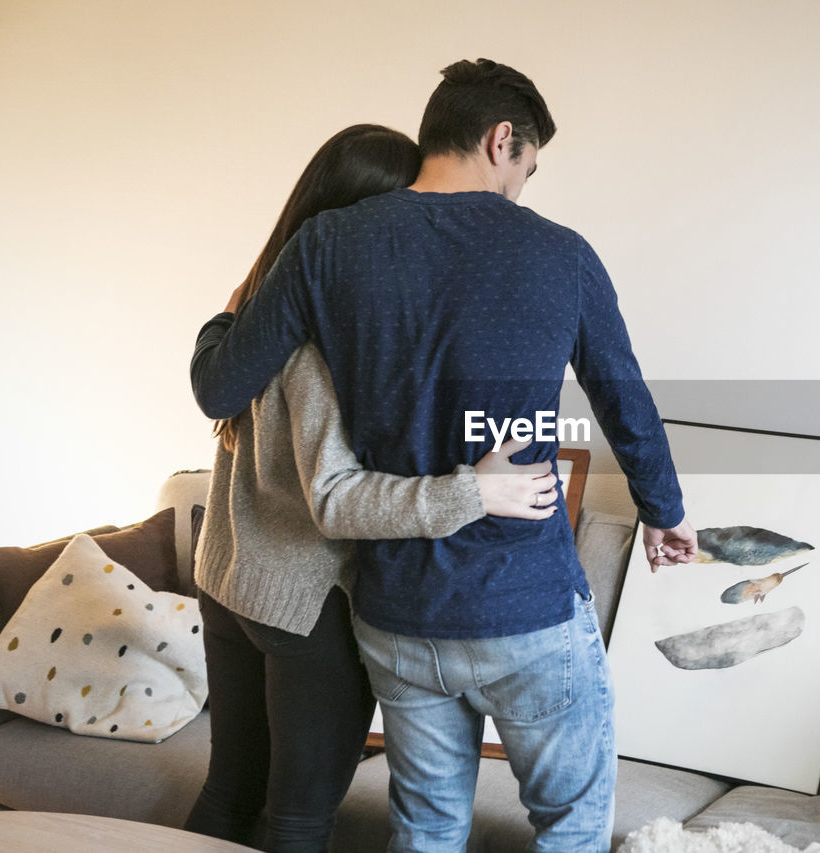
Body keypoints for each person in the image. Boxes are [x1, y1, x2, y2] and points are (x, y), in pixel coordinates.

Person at [190, 60, 699, 852]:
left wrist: (223, 318)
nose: (523, 186)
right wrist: (666, 512)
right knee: (573, 826)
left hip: (398, 617)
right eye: (527, 167)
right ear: (503, 140)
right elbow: (623, 398)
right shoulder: (561, 254)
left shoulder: (325, 244)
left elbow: (222, 387)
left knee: (425, 828)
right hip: (523, 604)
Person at [184, 123, 560, 853]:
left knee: (226, 798)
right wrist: (473, 490)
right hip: (304, 609)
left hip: (230, 582)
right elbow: (336, 499)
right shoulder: (324, 340)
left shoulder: (254, 305)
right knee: (295, 823)